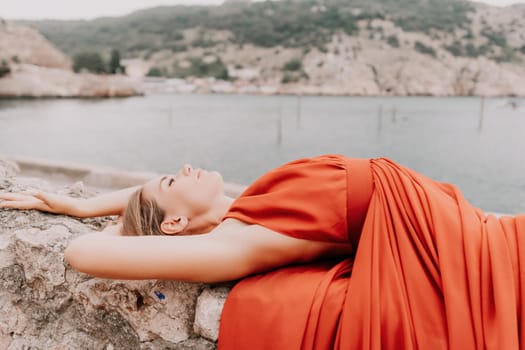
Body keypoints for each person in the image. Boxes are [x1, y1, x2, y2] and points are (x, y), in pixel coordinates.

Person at [1, 154, 524, 350]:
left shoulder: (245, 207)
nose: (183, 165)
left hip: (461, 225)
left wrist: (82, 205)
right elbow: (81, 256)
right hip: (468, 247)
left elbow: (152, 205)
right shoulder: (232, 244)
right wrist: (108, 227)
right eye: (170, 178)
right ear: (176, 224)